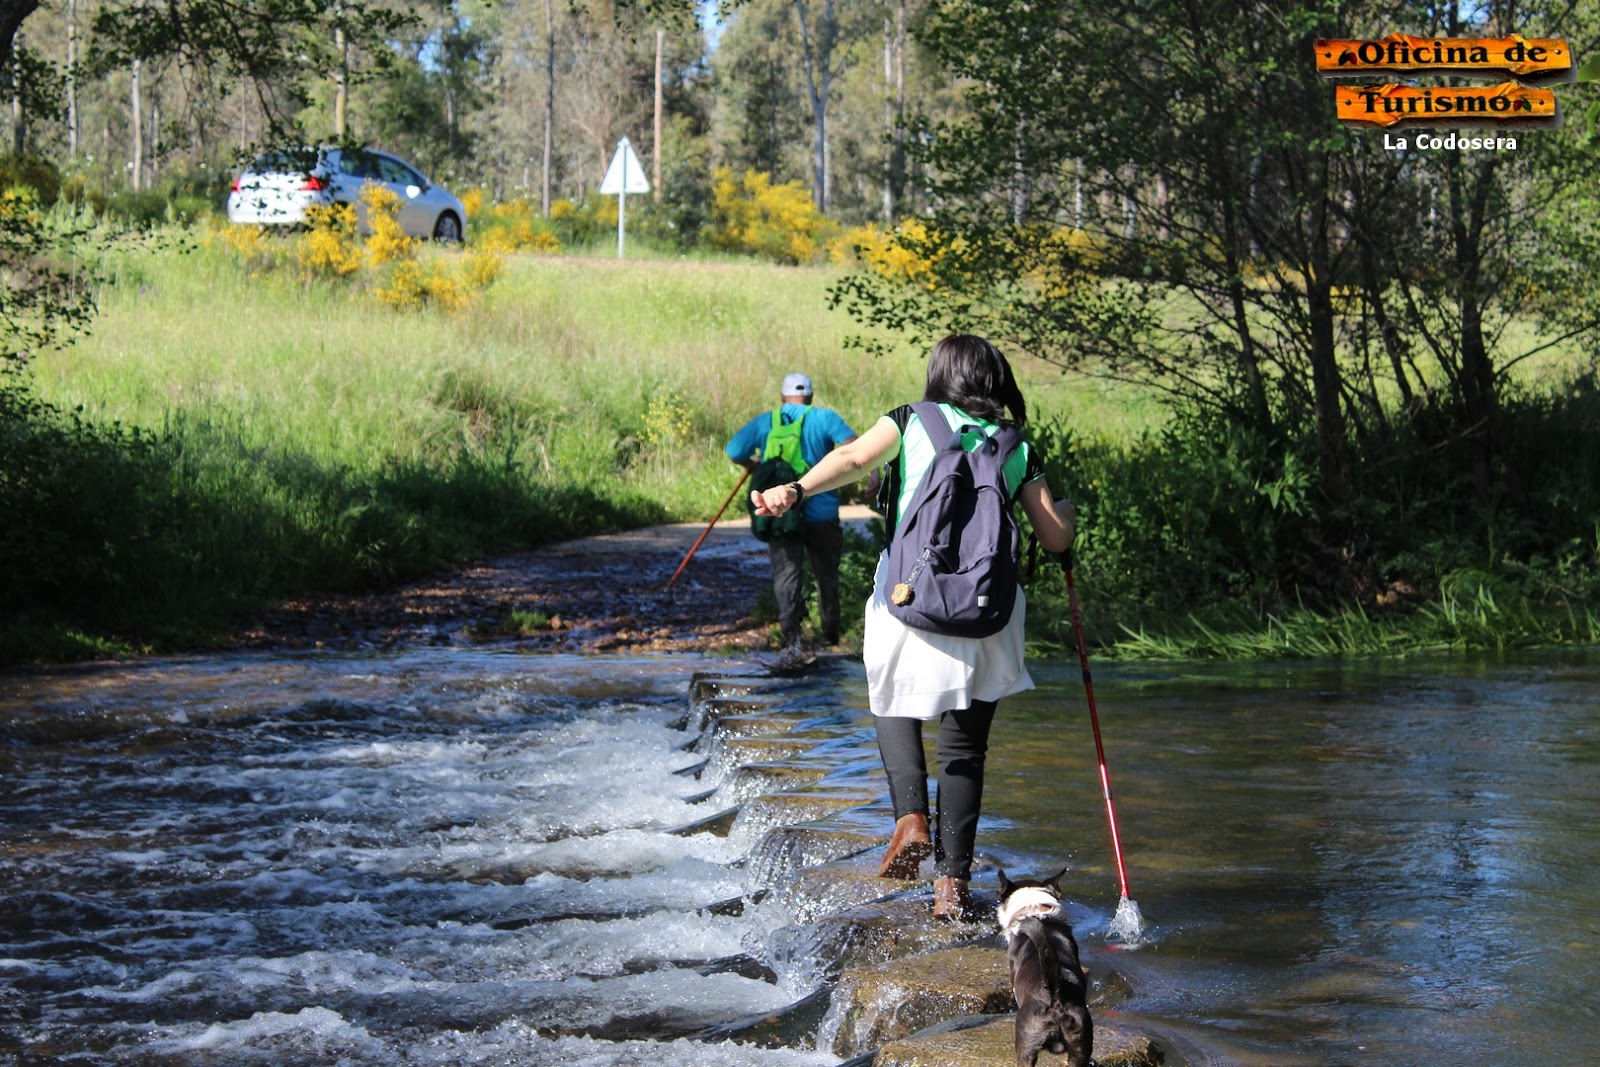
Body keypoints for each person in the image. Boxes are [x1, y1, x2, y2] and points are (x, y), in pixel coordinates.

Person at [750, 336, 1075, 919]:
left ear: (940, 375)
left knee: (890, 697)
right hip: (987, 612)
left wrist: (794, 490)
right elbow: (1055, 538)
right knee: (965, 749)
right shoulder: (1015, 446)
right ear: (995, 380)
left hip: (909, 595)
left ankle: (911, 818)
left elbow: (854, 459)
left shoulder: (912, 421)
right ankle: (951, 890)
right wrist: (1068, 515)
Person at [726, 372, 858, 655]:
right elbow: (853, 447)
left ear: (782, 396)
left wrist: (754, 465)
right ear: (810, 396)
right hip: (822, 513)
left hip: (781, 515)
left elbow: (734, 450)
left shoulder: (766, 422)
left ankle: (791, 642)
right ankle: (830, 637)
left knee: (786, 575)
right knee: (826, 575)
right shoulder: (825, 418)